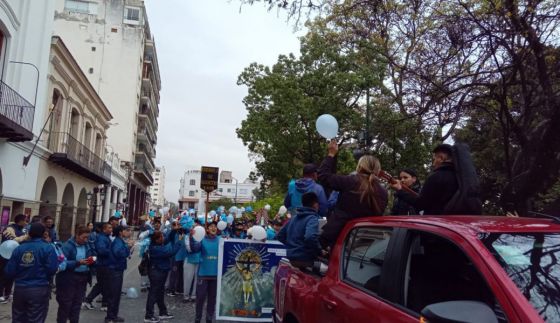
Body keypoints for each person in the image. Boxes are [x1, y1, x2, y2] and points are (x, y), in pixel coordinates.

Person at [318, 140, 388, 250]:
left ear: (359, 167)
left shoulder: (350, 181)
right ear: (377, 170)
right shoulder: (383, 192)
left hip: (338, 238)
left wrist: (331, 154)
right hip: (365, 244)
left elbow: (323, 176)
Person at [4, 222, 58, 323]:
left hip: (20, 289)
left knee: (18, 318)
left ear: (29, 233)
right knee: (35, 318)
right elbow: (52, 269)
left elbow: (9, 271)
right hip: (39, 288)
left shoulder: (19, 249)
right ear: (43, 233)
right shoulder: (47, 248)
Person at [390, 144, 458, 215]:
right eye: (401, 178)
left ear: (441, 158)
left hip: (435, 222)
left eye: (434, 159)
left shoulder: (436, 177)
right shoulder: (460, 178)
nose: (433, 164)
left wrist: (400, 191)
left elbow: (421, 204)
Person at [56, 225, 95, 323]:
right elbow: (62, 263)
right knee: (66, 305)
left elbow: (92, 256)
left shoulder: (87, 245)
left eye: (87, 237)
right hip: (68, 278)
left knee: (77, 304)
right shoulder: (67, 246)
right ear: (77, 235)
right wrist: (78, 263)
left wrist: (92, 261)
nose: (86, 240)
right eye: (84, 237)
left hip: (82, 278)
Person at [143, 231, 182, 322]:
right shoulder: (156, 249)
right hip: (157, 272)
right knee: (153, 293)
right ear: (157, 240)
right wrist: (179, 242)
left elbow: (168, 239)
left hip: (160, 271)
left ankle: (163, 312)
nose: (163, 238)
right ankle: (148, 315)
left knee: (160, 293)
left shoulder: (157, 244)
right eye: (161, 237)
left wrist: (174, 230)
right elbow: (171, 252)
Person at [277, 192, 322, 268]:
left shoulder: (293, 218)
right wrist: (319, 251)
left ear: (303, 203)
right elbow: (310, 237)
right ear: (316, 205)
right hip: (305, 261)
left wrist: (291, 248)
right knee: (326, 269)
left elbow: (280, 236)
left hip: (289, 259)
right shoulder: (312, 218)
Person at [190, 221, 221, 323]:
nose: (213, 228)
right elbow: (194, 249)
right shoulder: (202, 240)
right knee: (200, 298)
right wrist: (191, 237)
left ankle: (209, 318)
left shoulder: (221, 240)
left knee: (212, 299)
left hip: (215, 275)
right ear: (207, 229)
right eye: (211, 226)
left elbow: (231, 247)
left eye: (215, 227)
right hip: (203, 274)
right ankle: (198, 318)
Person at [105, 225, 133, 323]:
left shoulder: (119, 241)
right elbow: (119, 253)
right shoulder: (117, 242)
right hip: (115, 270)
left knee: (116, 295)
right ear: (121, 232)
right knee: (114, 295)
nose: (129, 232)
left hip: (117, 269)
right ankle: (110, 317)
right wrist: (128, 248)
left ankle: (113, 316)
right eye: (127, 230)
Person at [0, 213, 28, 304]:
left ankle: (7, 294)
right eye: (25, 220)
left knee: (11, 275)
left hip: (15, 257)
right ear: (20, 221)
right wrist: (26, 237)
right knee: (3, 275)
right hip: (5, 256)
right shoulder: (9, 228)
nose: (27, 222)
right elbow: (13, 240)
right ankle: (1, 294)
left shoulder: (22, 230)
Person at [83, 223, 112, 310]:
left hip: (105, 264)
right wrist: (112, 251)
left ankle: (99, 302)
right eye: (109, 228)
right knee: (103, 284)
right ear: (104, 229)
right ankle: (100, 303)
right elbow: (101, 251)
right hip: (102, 265)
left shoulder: (105, 237)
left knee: (103, 284)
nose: (111, 229)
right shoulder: (101, 238)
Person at [182, 226, 201, 303]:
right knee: (187, 278)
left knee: (197, 279)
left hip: (199, 260)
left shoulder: (202, 236)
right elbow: (189, 248)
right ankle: (186, 296)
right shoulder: (187, 236)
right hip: (189, 260)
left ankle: (194, 295)